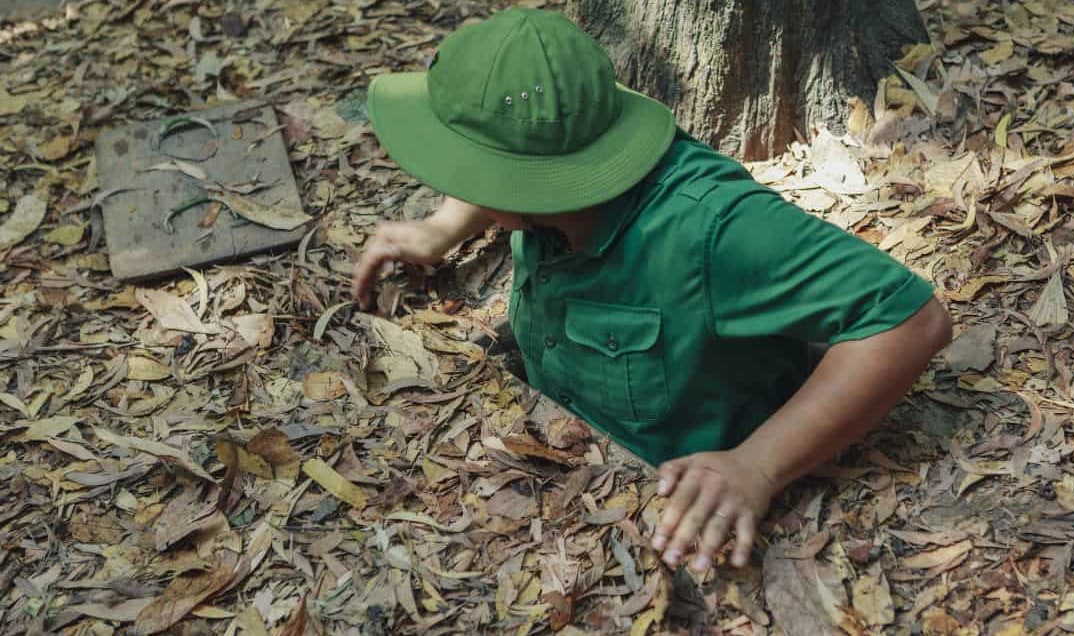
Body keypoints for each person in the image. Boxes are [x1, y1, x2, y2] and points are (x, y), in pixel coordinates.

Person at [352, 8, 952, 574]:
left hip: (676, 491)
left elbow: (909, 320)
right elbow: (514, 158)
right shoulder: (553, 178)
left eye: (467, 172)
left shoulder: (713, 230)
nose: (460, 184)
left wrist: (758, 465)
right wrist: (445, 225)